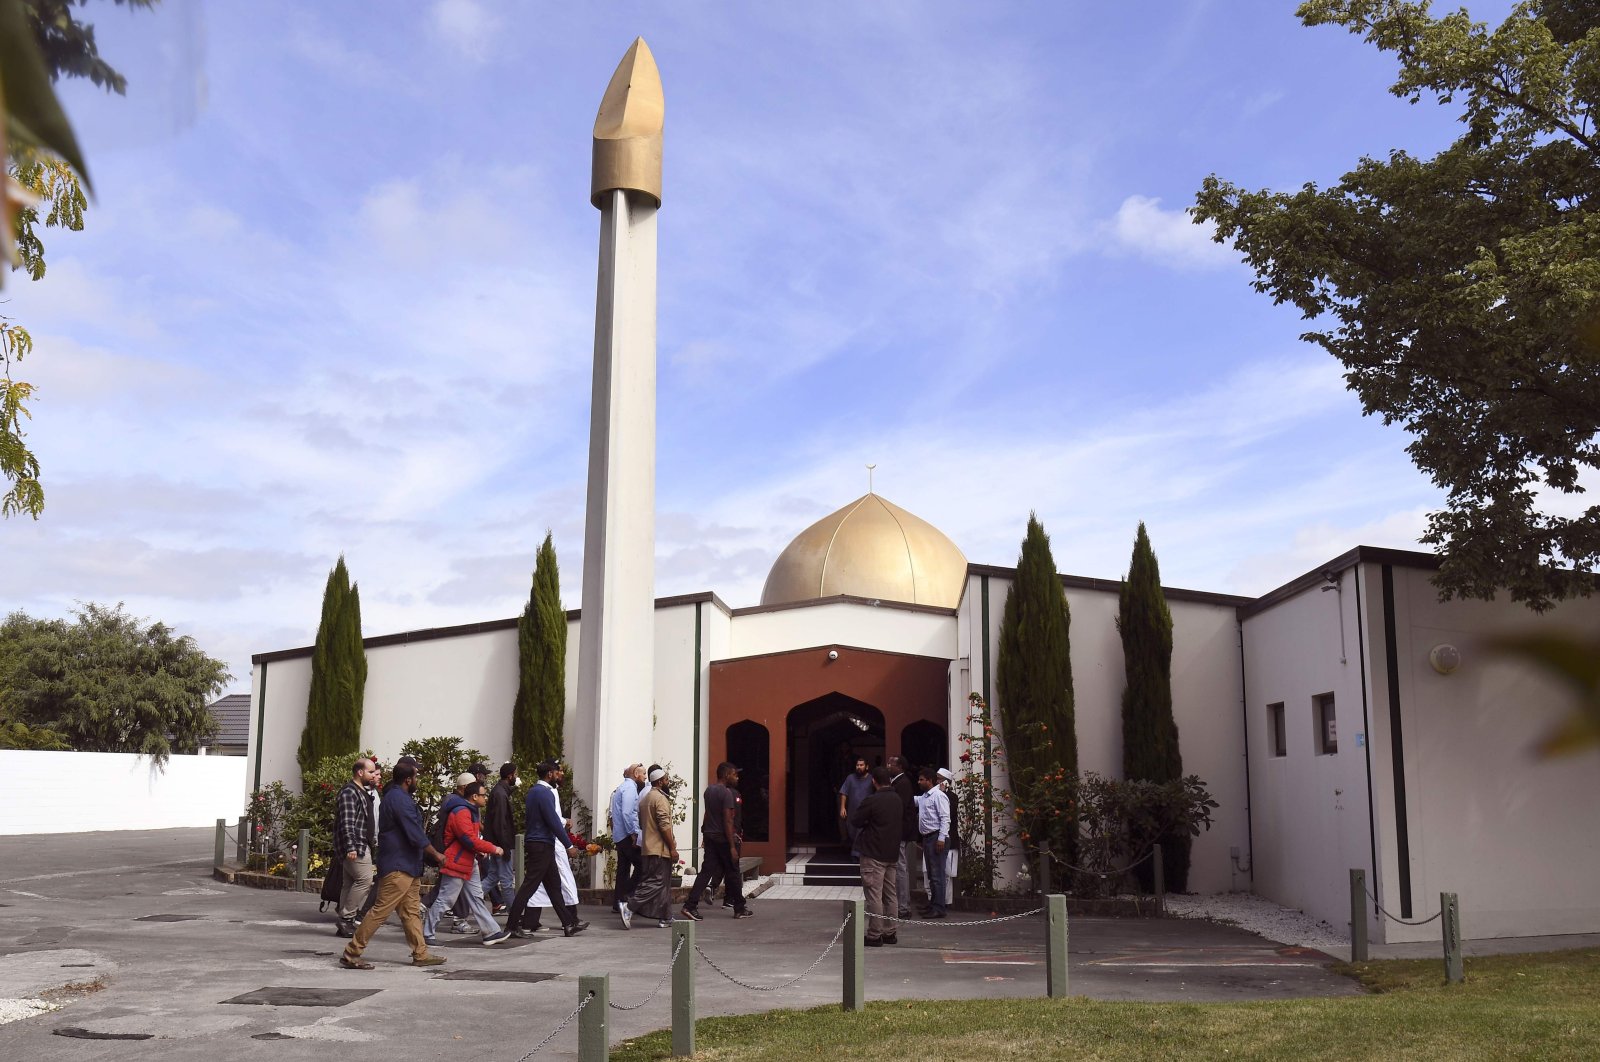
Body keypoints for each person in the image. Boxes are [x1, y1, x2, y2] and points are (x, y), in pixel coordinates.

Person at [340, 761, 447, 970]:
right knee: (379, 911)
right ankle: (351, 952)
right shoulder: (399, 800)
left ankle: (420, 953)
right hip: (399, 866)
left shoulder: (397, 797)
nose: (417, 780)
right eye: (416, 777)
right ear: (408, 779)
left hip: (407, 865)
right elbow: (414, 832)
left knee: (410, 912)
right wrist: (436, 854)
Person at [505, 760, 588, 939]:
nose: (558, 776)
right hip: (542, 844)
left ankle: (568, 924)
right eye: (556, 773)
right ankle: (511, 926)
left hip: (541, 844)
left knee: (554, 887)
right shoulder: (545, 793)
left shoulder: (534, 792)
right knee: (529, 887)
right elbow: (553, 821)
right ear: (549, 774)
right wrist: (569, 845)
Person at [422, 780, 509, 945]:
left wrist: (480, 850)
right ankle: (427, 933)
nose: (486, 798)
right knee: (445, 899)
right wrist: (492, 848)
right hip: (458, 862)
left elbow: (469, 839)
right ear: (475, 796)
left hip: (466, 861)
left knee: (476, 898)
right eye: (484, 795)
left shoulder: (470, 810)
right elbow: (469, 839)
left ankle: (491, 932)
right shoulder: (462, 812)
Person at [680, 762, 752, 920]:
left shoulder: (709, 790)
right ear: (726, 775)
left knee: (706, 872)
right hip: (723, 839)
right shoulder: (726, 794)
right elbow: (728, 821)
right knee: (733, 872)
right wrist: (732, 846)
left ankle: (690, 905)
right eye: (734, 774)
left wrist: (704, 834)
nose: (736, 777)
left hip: (711, 837)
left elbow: (707, 814)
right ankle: (739, 908)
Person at [848, 765, 902, 946]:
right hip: (892, 853)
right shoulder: (897, 799)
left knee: (874, 895)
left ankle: (874, 934)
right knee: (891, 894)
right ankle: (891, 932)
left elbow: (855, 820)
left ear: (874, 781)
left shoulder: (872, 800)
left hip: (873, 853)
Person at [619, 765, 677, 929]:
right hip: (659, 849)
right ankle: (629, 906)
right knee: (656, 882)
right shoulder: (660, 799)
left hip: (648, 846)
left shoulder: (645, 799)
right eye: (666, 779)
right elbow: (664, 825)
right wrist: (672, 847)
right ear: (659, 781)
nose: (667, 782)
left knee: (664, 882)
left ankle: (666, 916)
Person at [332, 757, 379, 938]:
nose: (373, 775)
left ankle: (344, 923)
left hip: (361, 844)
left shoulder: (362, 791)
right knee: (365, 880)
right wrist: (350, 847)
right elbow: (347, 822)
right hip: (356, 846)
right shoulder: (350, 792)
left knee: (349, 883)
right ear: (360, 772)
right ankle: (346, 918)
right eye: (370, 772)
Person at [915, 767, 950, 918]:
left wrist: (941, 838)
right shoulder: (924, 797)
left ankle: (939, 907)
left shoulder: (938, 796)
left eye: (922, 779)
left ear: (929, 781)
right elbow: (914, 801)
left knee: (937, 875)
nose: (919, 782)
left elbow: (945, 818)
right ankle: (933, 904)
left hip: (936, 838)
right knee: (931, 875)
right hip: (928, 838)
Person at [608, 763, 644, 913]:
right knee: (642, 866)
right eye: (643, 774)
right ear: (636, 774)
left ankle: (618, 902)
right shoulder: (630, 788)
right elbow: (627, 813)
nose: (645, 777)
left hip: (619, 835)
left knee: (623, 870)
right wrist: (634, 834)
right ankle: (624, 898)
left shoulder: (621, 787)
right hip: (626, 836)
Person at [483, 762, 518, 912]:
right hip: (501, 845)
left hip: (497, 843)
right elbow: (500, 823)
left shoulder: (500, 791)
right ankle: (515, 915)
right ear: (510, 775)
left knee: (493, 877)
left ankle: (468, 900)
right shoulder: (500, 794)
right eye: (515, 774)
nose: (516, 777)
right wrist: (505, 847)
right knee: (507, 881)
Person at [887, 756, 918, 918]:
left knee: (900, 868)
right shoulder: (899, 782)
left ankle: (903, 906)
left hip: (900, 832)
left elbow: (900, 808)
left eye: (890, 764)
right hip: (900, 831)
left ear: (899, 766)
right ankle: (899, 904)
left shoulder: (902, 783)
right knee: (898, 867)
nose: (888, 766)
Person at [837, 757, 873, 854]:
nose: (859, 767)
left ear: (867, 767)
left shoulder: (872, 779)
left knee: (862, 832)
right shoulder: (850, 778)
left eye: (861, 765)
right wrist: (842, 807)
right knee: (852, 831)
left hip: (866, 812)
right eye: (857, 765)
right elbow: (844, 793)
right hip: (853, 811)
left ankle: (856, 854)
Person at [938, 767, 960, 908]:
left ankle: (947, 901)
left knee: (947, 874)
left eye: (939, 779)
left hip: (949, 839)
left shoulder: (952, 797)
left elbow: (948, 816)